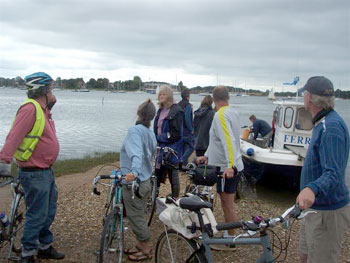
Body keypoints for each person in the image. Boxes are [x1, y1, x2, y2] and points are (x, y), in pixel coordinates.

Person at [0, 72, 64, 263]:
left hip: (46, 171)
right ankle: (28, 254)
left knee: (48, 211)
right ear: (43, 90)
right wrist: (4, 161)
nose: (53, 93)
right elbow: (14, 136)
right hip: (34, 173)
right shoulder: (30, 109)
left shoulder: (43, 110)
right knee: (37, 215)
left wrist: (49, 107)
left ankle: (44, 246)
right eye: (51, 89)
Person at [296, 76, 350, 263]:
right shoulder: (322, 122)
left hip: (327, 213)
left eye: (304, 93)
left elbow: (333, 172)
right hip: (313, 210)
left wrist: (312, 188)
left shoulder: (331, 127)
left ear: (309, 97)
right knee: (305, 256)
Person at [196, 86, 244, 250]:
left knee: (227, 204)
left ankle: (230, 240)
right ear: (228, 97)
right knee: (227, 203)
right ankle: (229, 235)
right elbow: (217, 140)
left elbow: (228, 141)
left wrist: (231, 166)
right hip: (230, 165)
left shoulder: (220, 115)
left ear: (214, 99)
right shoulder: (233, 112)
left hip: (226, 169)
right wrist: (207, 155)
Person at [121, 99, 157, 261]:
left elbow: (137, 154)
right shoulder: (150, 133)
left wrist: (134, 172)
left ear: (138, 113)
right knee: (140, 214)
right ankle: (140, 245)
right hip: (146, 181)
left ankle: (146, 248)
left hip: (135, 181)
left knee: (135, 217)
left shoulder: (134, 131)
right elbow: (148, 156)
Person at [154, 85, 183, 198]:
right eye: (160, 94)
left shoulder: (177, 111)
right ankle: (153, 198)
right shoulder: (160, 110)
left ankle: (175, 198)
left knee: (172, 175)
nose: (161, 96)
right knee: (157, 174)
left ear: (169, 96)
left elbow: (177, 134)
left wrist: (160, 137)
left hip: (172, 148)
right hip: (160, 148)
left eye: (164, 94)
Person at [178, 88, 194, 165]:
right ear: (188, 96)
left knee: (183, 147)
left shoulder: (178, 104)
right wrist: (191, 129)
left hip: (179, 129)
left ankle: (184, 164)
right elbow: (187, 118)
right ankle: (182, 160)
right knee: (192, 146)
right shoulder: (187, 105)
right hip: (186, 130)